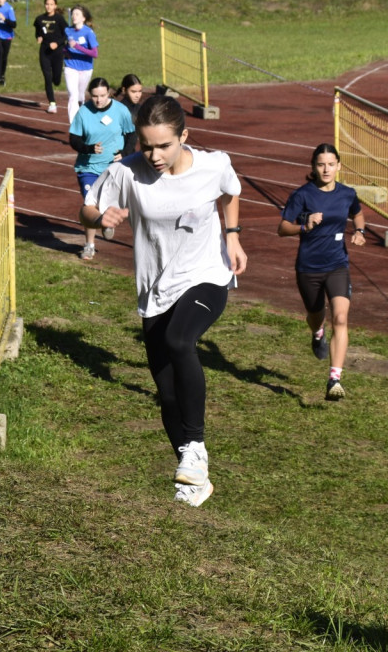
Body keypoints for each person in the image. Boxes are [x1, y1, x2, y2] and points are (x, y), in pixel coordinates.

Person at [79, 95, 248, 508]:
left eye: (164, 146)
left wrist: (233, 235)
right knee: (167, 391)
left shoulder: (214, 165)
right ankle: (194, 479)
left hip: (207, 276)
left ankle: (197, 447)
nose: (153, 155)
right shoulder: (126, 173)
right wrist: (100, 220)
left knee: (179, 341)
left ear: (184, 137)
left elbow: (230, 192)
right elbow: (86, 208)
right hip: (155, 289)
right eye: (146, 144)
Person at [277, 143, 366, 401]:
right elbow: (282, 228)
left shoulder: (348, 193)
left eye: (330, 164)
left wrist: (359, 232)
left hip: (338, 265)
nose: (326, 169)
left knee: (340, 318)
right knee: (316, 315)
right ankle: (317, 334)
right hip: (308, 268)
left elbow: (358, 215)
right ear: (313, 167)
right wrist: (304, 226)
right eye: (320, 164)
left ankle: (334, 379)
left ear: (339, 166)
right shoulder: (302, 195)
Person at [69, 77, 136, 261]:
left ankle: (107, 220)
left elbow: (131, 135)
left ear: (109, 94)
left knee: (114, 202)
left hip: (114, 168)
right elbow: (73, 139)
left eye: (103, 96)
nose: (99, 100)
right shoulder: (83, 112)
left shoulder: (121, 111)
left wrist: (125, 152)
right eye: (95, 96)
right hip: (88, 168)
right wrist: (88, 148)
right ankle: (89, 245)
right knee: (90, 205)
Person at [34, 0, 69, 113]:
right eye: (47, 4)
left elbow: (66, 34)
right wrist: (38, 37)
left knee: (56, 80)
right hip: (44, 51)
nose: (48, 6)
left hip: (58, 52)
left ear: (55, 6)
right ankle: (52, 103)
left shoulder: (59, 19)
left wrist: (57, 43)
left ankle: (58, 77)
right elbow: (38, 33)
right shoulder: (39, 19)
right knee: (47, 77)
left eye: (51, 4)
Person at [63, 5, 98, 123]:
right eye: (73, 14)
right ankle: (74, 126)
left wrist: (77, 47)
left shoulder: (89, 33)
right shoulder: (68, 30)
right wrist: (65, 51)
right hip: (70, 66)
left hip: (86, 68)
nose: (74, 16)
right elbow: (63, 46)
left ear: (83, 18)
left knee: (80, 96)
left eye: (77, 14)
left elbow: (94, 53)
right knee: (73, 95)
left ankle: (82, 111)